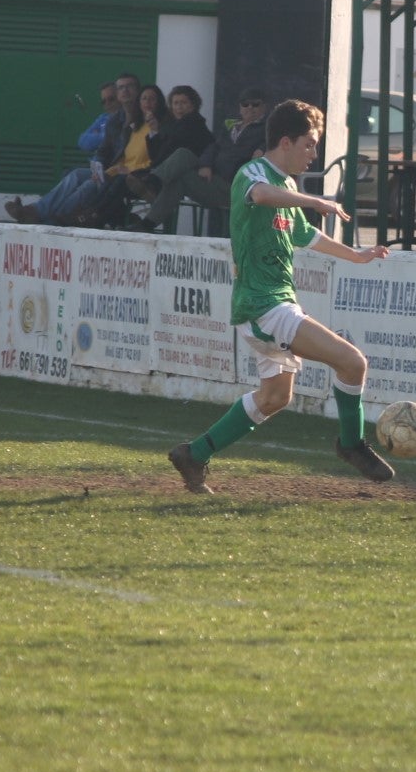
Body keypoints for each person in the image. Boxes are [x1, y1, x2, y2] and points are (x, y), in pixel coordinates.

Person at [167, 99, 396, 495]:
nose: (313, 154)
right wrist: (313, 201)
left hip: (272, 303)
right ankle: (351, 444)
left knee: (275, 397)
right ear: (286, 142)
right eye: (309, 144)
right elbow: (259, 196)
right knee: (352, 362)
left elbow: (304, 234)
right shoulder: (253, 173)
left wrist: (357, 255)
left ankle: (194, 454)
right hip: (263, 305)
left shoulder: (287, 186)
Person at [124, 85, 255, 234]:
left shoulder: (194, 124)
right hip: (205, 177)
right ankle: (147, 223)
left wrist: (206, 164)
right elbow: (212, 147)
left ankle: (153, 183)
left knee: (183, 154)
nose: (179, 107)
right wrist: (154, 131)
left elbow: (170, 152)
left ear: (193, 105)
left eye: (183, 103)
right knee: (179, 180)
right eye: (176, 103)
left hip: (232, 185)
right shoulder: (229, 129)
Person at [4, 79, 119, 225]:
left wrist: (101, 136)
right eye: (104, 101)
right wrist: (105, 136)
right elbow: (83, 141)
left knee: (87, 186)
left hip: (112, 172)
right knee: (75, 174)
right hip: (97, 169)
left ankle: (46, 220)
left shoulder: (123, 119)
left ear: (119, 98)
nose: (108, 104)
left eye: (111, 99)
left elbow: (115, 140)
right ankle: (35, 210)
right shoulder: (103, 119)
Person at [82, 81, 166, 229]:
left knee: (118, 182)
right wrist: (109, 172)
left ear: (159, 102)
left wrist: (155, 131)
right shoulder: (135, 126)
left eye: (152, 99)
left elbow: (157, 157)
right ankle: (107, 220)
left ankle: (92, 217)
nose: (147, 103)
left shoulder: (162, 125)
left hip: (145, 176)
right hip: (126, 172)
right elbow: (125, 157)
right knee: (102, 180)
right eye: (144, 99)